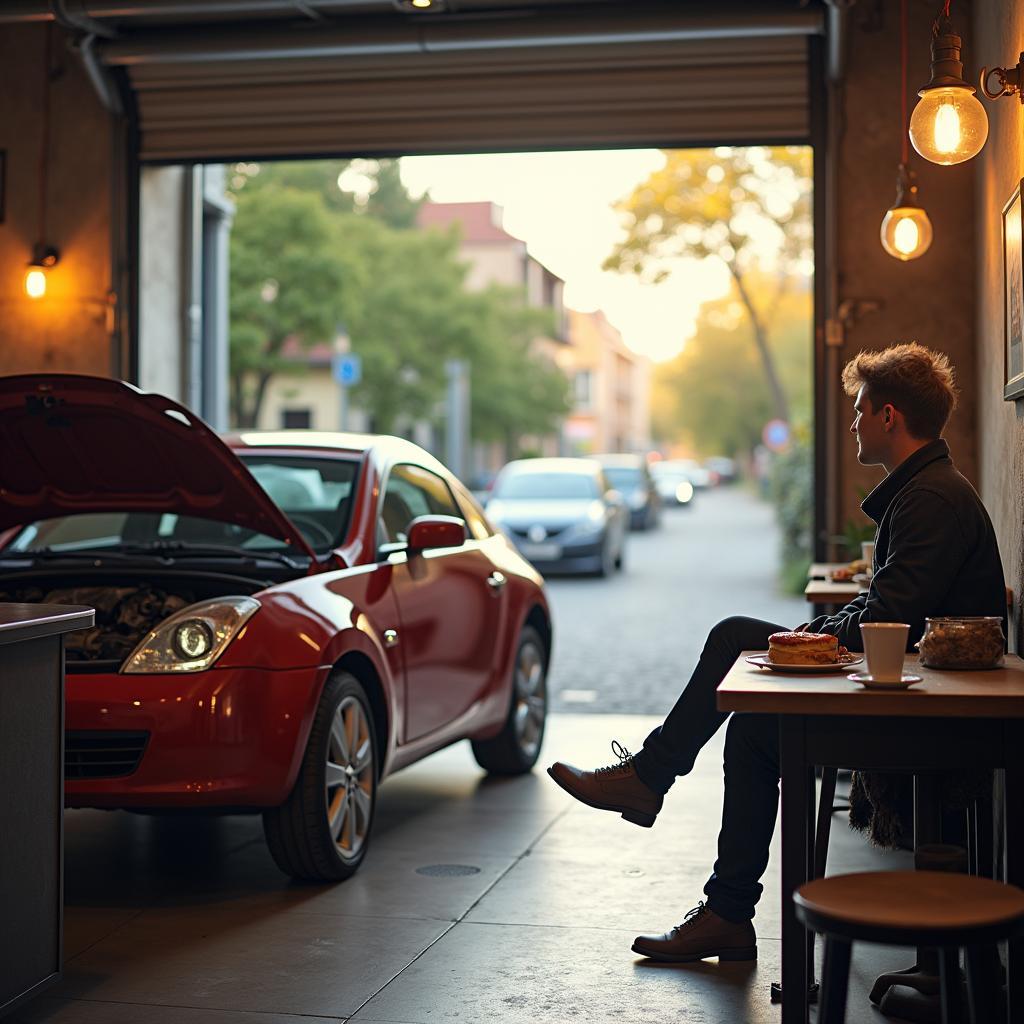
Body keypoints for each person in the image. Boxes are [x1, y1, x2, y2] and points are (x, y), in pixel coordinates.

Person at [548, 342, 1006, 963]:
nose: (853, 424)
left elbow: (888, 618)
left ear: (889, 416)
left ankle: (681, 834)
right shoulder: (927, 489)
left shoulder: (929, 499)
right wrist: (813, 639)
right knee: (741, 661)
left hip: (929, 716)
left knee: (749, 695)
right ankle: (697, 862)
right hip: (915, 690)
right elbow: (885, 610)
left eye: (860, 411)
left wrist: (811, 642)